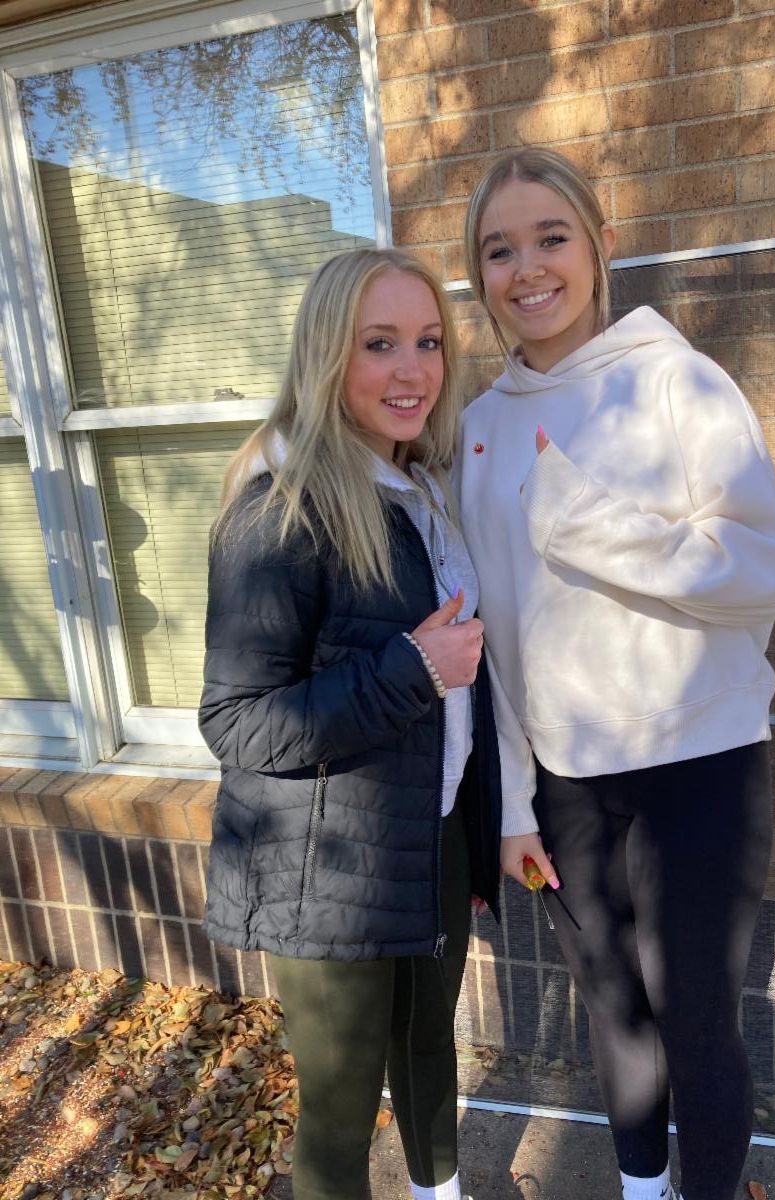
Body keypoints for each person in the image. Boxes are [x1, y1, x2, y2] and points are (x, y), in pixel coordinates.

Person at [457, 148, 775, 1200]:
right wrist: (515, 805)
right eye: (499, 249)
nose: (527, 268)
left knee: (696, 1020)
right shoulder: (478, 430)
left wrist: (590, 525)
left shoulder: (678, 381)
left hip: (701, 766)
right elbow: (498, 644)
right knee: (614, 1011)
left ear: (600, 246)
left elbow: (763, 573)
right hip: (567, 787)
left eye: (551, 237)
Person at [199, 246, 501, 1200]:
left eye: (428, 342)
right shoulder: (281, 510)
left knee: (429, 1055)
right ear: (328, 354)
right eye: (380, 344)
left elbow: (467, 694)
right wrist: (411, 669)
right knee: (338, 1118)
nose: (412, 371)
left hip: (430, 839)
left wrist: (472, 838)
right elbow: (238, 722)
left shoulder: (423, 495)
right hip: (321, 876)